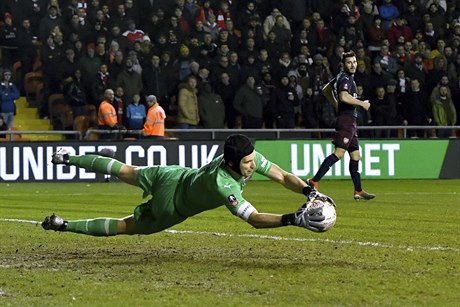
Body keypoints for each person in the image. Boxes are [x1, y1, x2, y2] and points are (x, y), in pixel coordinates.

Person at [41, 134, 334, 236]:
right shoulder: (224, 187)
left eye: (252, 159)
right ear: (232, 164)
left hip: (173, 175)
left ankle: (68, 158)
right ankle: (64, 225)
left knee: (126, 170)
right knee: (126, 227)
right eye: (247, 163)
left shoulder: (242, 157)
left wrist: (309, 190)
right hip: (173, 206)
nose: (253, 165)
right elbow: (255, 220)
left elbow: (282, 176)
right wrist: (291, 220)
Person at [307, 51, 375, 201]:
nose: (353, 65)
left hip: (349, 119)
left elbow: (326, 90)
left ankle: (358, 190)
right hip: (346, 120)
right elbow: (344, 96)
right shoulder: (345, 78)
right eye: (349, 62)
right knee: (339, 153)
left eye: (354, 62)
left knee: (355, 155)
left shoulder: (340, 77)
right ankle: (314, 180)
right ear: (344, 64)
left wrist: (335, 104)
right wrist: (361, 103)